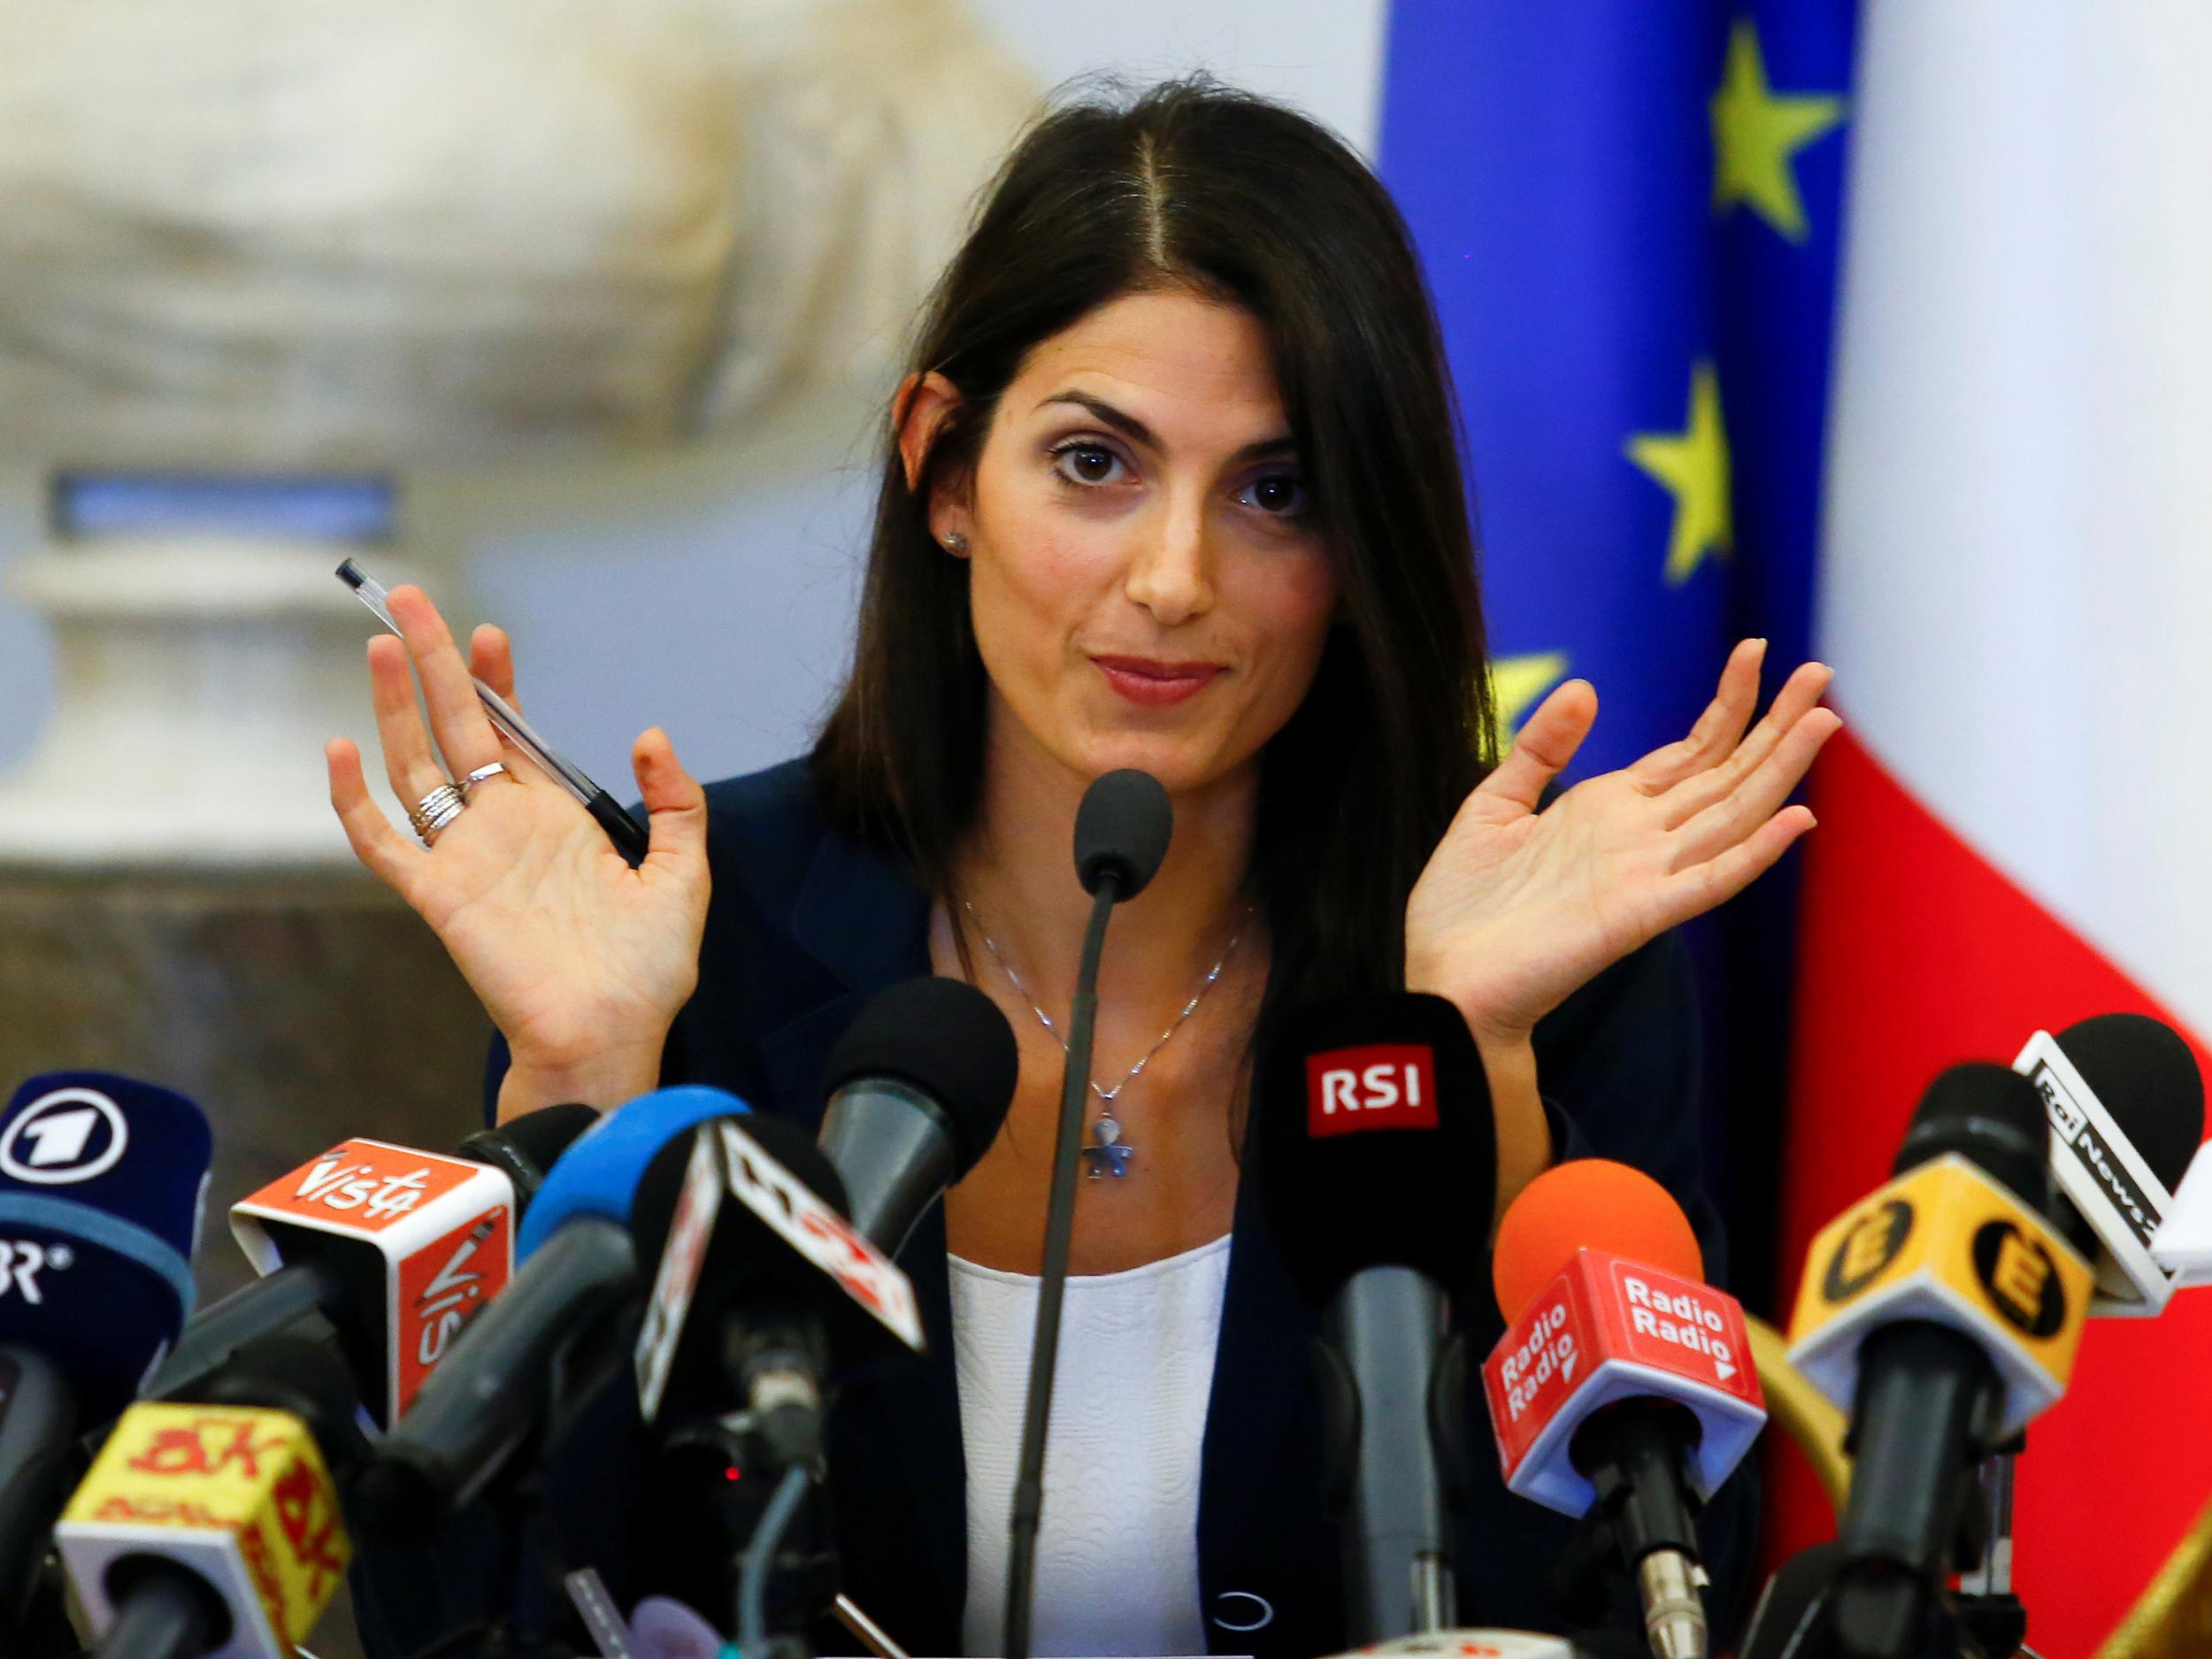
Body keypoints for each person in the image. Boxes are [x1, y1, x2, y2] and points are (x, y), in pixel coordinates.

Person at [332, 77, 1839, 1659]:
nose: (1175, 580)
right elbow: (472, 1616)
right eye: (1095, 465)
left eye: (1276, 491)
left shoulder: (1539, 962)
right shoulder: (691, 938)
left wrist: (1477, 1065)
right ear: (943, 470)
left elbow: (1654, 1606)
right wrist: (582, 1074)